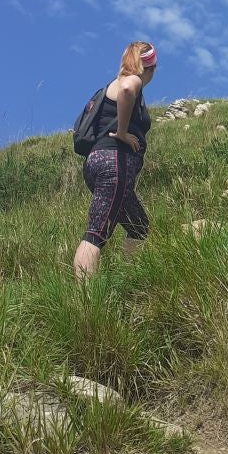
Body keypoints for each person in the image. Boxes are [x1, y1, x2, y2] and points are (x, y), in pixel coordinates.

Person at [73, 41, 157, 278]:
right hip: (115, 164)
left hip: (97, 162)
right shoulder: (132, 81)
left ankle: (129, 279)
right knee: (96, 233)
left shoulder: (111, 85)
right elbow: (128, 89)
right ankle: (86, 297)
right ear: (150, 67)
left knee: (138, 226)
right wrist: (122, 132)